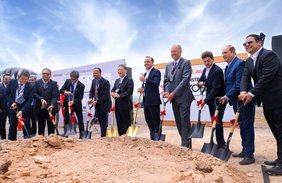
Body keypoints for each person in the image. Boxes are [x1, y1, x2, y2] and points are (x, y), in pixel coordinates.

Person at [239, 34, 282, 174]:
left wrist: (250, 94)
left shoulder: (269, 55)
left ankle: (281, 165)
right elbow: (245, 77)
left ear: (259, 42)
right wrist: (244, 90)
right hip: (267, 101)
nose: (247, 45)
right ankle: (280, 158)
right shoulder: (249, 61)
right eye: (244, 44)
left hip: (278, 100)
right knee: (276, 131)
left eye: (249, 42)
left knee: (281, 131)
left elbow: (266, 78)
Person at [220, 45, 256, 165]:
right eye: (222, 53)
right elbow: (229, 84)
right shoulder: (228, 66)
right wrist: (228, 95)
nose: (223, 55)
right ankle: (245, 150)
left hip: (245, 101)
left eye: (226, 52)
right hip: (236, 101)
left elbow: (238, 84)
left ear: (233, 52)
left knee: (247, 126)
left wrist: (226, 96)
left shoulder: (240, 63)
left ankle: (249, 155)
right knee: (241, 125)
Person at [163, 44, 195, 148]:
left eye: (175, 51)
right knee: (178, 122)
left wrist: (173, 93)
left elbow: (185, 80)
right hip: (173, 99)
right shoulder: (168, 66)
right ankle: (184, 142)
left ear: (180, 51)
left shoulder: (186, 63)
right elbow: (166, 80)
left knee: (184, 121)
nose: (173, 53)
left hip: (184, 98)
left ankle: (186, 146)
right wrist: (167, 92)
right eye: (171, 51)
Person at [198, 51, 226, 148]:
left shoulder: (217, 70)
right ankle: (216, 142)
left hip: (218, 100)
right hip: (211, 100)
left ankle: (221, 144)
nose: (206, 63)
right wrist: (200, 83)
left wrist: (205, 101)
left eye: (208, 61)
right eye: (204, 61)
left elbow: (215, 88)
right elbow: (200, 80)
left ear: (212, 59)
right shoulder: (205, 70)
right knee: (213, 121)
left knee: (217, 122)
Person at [6, 69, 34, 140]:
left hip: (24, 108)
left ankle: (26, 140)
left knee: (26, 124)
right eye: (22, 78)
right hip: (13, 106)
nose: (24, 81)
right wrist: (12, 102)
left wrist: (22, 111)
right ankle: (12, 141)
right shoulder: (12, 82)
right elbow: (7, 94)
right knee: (13, 125)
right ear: (18, 76)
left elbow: (29, 100)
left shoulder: (30, 87)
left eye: (26, 79)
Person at [138, 56, 161, 140]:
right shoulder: (145, 73)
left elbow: (156, 84)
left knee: (156, 122)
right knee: (148, 121)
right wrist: (142, 89)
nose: (146, 63)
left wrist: (145, 80)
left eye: (148, 61)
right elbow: (146, 86)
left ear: (152, 63)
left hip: (154, 101)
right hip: (146, 101)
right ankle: (152, 139)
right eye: (145, 62)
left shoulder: (156, 72)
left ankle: (158, 139)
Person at [34, 68, 59, 136]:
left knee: (51, 127)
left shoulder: (54, 83)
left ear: (50, 75)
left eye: (47, 73)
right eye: (43, 73)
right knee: (41, 126)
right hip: (40, 108)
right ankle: (41, 142)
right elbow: (35, 94)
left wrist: (52, 105)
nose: (45, 75)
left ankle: (51, 142)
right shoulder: (37, 83)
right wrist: (41, 99)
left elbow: (55, 96)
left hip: (50, 109)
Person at [60, 70, 85, 137]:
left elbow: (80, 97)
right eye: (71, 78)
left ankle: (82, 135)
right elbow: (61, 90)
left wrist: (73, 101)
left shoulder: (81, 86)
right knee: (66, 119)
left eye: (74, 79)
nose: (72, 80)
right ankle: (66, 134)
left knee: (80, 119)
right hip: (67, 104)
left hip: (76, 104)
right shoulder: (67, 81)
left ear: (77, 78)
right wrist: (65, 92)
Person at [111, 64, 134, 136]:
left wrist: (119, 95)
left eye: (121, 69)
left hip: (125, 105)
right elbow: (113, 89)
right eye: (118, 70)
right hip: (117, 106)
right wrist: (113, 93)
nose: (119, 71)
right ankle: (121, 138)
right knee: (119, 123)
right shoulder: (117, 80)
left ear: (125, 70)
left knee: (126, 123)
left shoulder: (129, 80)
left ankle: (127, 139)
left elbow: (129, 92)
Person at [89, 67, 111, 137]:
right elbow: (91, 91)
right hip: (97, 105)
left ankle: (103, 137)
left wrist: (97, 101)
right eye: (93, 73)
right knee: (96, 120)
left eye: (96, 73)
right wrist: (90, 98)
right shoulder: (93, 81)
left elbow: (106, 95)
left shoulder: (106, 82)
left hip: (104, 105)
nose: (94, 74)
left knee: (103, 122)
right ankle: (101, 136)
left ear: (100, 73)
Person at [0, 73, 11, 139]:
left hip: (11, 109)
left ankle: (11, 139)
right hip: (2, 109)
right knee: (1, 125)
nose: (8, 80)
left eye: (9, 79)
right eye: (6, 79)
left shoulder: (14, 87)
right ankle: (3, 139)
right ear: (3, 79)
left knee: (12, 125)